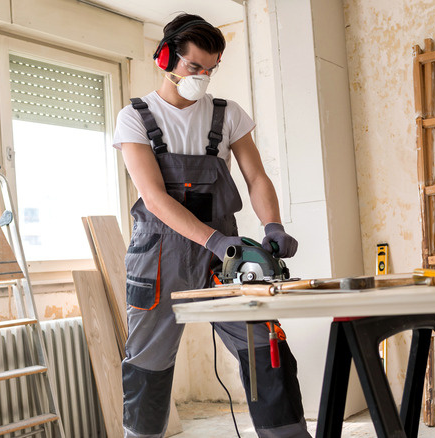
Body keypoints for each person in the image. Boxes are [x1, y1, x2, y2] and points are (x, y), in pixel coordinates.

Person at [112, 13, 310, 438]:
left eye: (210, 69)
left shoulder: (227, 115)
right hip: (159, 258)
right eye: (194, 67)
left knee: (266, 350)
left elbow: (256, 177)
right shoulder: (135, 118)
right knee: (147, 366)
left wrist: (272, 224)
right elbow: (154, 198)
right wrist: (215, 240)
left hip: (225, 260)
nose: (202, 77)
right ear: (167, 57)